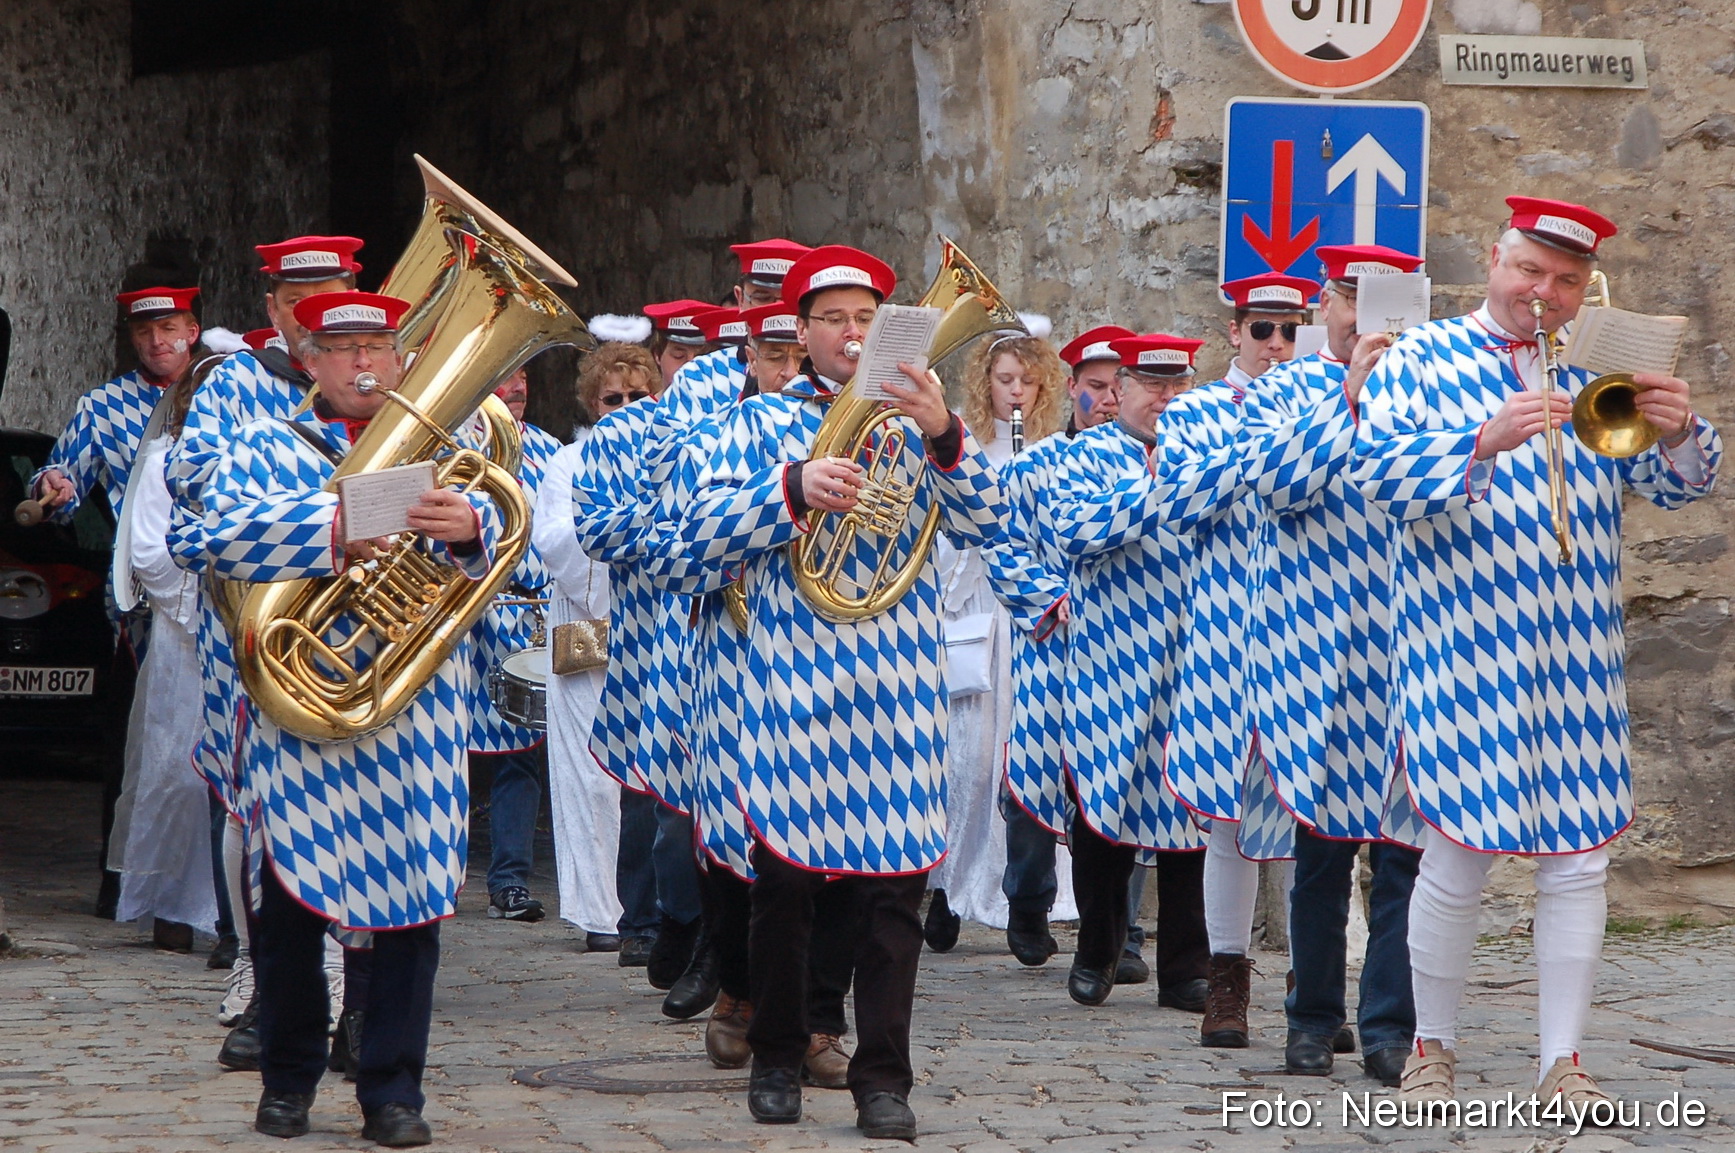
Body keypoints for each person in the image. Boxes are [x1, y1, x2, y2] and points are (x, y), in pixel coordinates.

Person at [1352, 197, 1720, 1106]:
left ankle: (1562, 1060)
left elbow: (1678, 487)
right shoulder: (1421, 359)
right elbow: (1373, 475)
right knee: (1455, 852)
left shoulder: (1599, 366)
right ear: (1494, 260)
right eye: (1529, 272)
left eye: (1563, 281)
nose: (1542, 295)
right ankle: (1429, 1046)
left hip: (1575, 654)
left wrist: (1677, 431)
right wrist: (1482, 438)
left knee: (1578, 859)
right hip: (1457, 648)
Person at [666, 245, 1007, 1140]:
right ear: (802, 331)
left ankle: (882, 1076)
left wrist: (943, 436)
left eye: (867, 319)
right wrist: (788, 487)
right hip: (792, 678)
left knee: (896, 889)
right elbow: (691, 543)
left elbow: (993, 523)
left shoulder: (917, 418)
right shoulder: (755, 426)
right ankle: (777, 1054)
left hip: (898, 684)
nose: (851, 335)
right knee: (784, 881)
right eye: (833, 320)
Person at [201, 289, 503, 1147]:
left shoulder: (455, 447)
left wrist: (474, 529)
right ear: (308, 359)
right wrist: (333, 529)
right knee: (294, 899)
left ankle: (393, 1090)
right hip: (304, 710)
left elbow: (512, 574)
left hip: (414, 708)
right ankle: (288, 1079)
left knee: (413, 901)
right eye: (341, 347)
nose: (363, 362)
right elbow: (213, 537)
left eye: (377, 344)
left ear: (405, 357)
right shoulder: (266, 445)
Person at [640, 298, 859, 1088]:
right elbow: (674, 535)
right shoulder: (715, 407)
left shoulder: (874, 416)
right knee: (736, 848)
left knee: (842, 852)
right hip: (739, 661)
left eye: (781, 352)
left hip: (844, 663)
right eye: (764, 351)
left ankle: (819, 1018)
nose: (776, 366)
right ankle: (738, 985)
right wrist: (785, 491)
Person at [166, 235, 363, 1074]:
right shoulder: (231, 384)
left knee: (363, 802)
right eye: (299, 297)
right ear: (276, 307)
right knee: (253, 802)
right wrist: (304, 505)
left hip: (360, 630)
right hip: (257, 625)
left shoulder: (382, 380)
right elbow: (192, 485)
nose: (314, 307)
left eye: (334, 292)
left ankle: (356, 986)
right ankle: (266, 972)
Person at [1238, 244, 1428, 1086]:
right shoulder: (1284, 387)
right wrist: (1349, 397)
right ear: (1326, 302)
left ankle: (1391, 1025)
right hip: (1314, 650)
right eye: (1354, 298)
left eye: (1390, 300)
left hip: (1413, 643)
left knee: (1404, 852)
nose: (1367, 316)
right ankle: (1310, 1017)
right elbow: (1273, 483)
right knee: (1319, 847)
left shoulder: (1434, 384)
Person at [1156, 273, 1315, 1049]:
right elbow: (1179, 501)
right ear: (1234, 333)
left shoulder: (1327, 405)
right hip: (1223, 628)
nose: (1277, 345)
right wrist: (1265, 443)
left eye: (1291, 330)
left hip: (1309, 630)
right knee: (1226, 815)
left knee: (1323, 809)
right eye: (1262, 329)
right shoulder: (1190, 411)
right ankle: (1226, 981)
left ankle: (1310, 982)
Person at [1041, 334, 1212, 1009]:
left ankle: (1186, 966)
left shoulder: (1207, 456)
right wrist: (1160, 489)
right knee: (1099, 808)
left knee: (1192, 808)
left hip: (1193, 655)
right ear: (1122, 390)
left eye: (1177, 387)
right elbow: (1077, 530)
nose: (1165, 400)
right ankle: (1098, 943)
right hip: (1108, 659)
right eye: (1151, 386)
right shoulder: (1084, 456)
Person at [30, 282, 204, 918]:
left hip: (220, 590)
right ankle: (127, 879)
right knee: (136, 739)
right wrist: (53, 483)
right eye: (143, 331)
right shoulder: (104, 405)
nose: (157, 341)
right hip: (142, 604)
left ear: (193, 326)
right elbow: (66, 478)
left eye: (170, 327)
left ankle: (218, 894)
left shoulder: (229, 391)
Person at [925, 331, 1075, 950]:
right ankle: (947, 891)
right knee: (967, 760)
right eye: (1004, 379)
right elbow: (947, 540)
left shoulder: (1057, 455)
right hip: (976, 617)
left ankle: (1025, 900)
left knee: (1029, 761)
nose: (1015, 391)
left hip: (1033, 624)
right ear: (985, 385)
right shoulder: (965, 449)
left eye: (1027, 381)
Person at [988, 326, 1127, 971]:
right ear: (1072, 389)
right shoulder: (1035, 461)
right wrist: (1048, 598)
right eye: (1094, 387)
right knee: (1035, 771)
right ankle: (1028, 901)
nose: (1105, 399)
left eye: (1114, 388)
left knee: (1122, 779)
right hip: (1051, 637)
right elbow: (1004, 545)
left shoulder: (1144, 458)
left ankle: (1115, 929)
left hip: (1121, 644)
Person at [532, 343, 658, 954]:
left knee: (651, 767)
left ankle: (650, 903)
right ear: (592, 403)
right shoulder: (568, 464)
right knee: (589, 770)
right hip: (585, 626)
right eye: (615, 399)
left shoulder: (669, 459)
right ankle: (597, 908)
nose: (628, 409)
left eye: (639, 397)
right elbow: (554, 538)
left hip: (653, 626)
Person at [106, 345, 222, 948]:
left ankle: (232, 916)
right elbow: (151, 551)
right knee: (179, 769)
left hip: (241, 631)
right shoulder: (161, 461)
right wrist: (202, 609)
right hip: (187, 637)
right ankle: (173, 906)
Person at [465, 365, 564, 923]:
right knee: (448, 748)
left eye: (524, 373)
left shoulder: (551, 451)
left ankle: (509, 882)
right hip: (465, 609)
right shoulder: (448, 444)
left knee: (522, 752)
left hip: (532, 611)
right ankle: (438, 878)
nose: (518, 387)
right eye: (502, 376)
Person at [643, 299, 719, 388]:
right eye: (678, 356)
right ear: (658, 356)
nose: (690, 364)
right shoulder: (642, 402)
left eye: (700, 356)